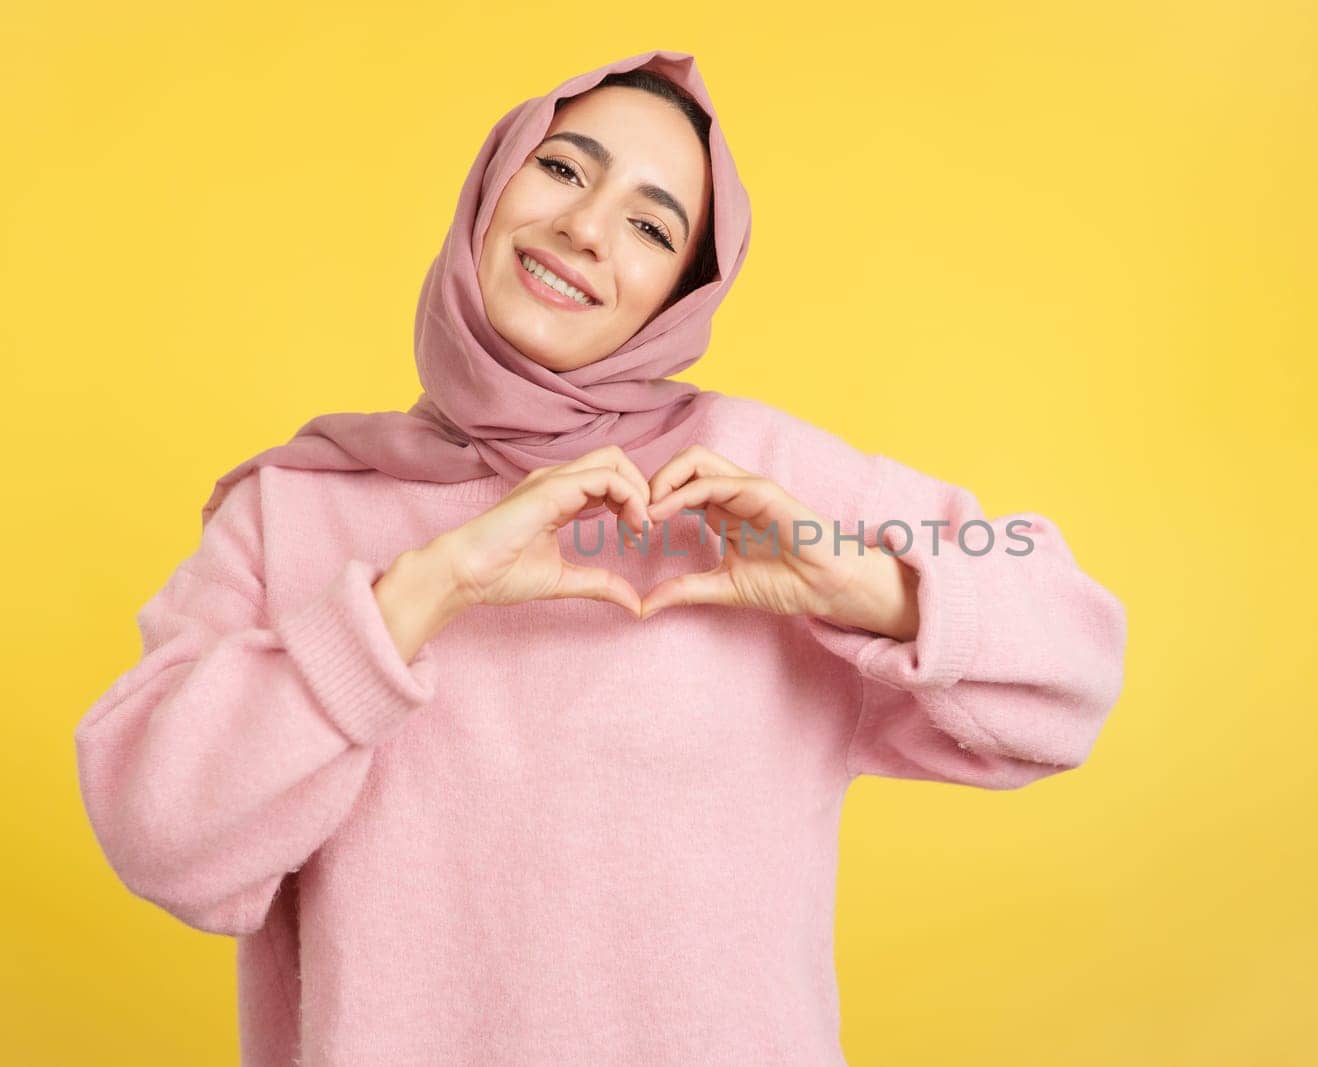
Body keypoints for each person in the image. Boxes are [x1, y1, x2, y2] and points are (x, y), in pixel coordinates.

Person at [73, 49, 1129, 1067]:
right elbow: (159, 836)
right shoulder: (291, 507)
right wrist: (422, 591)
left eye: (649, 224)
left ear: (679, 291)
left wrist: (865, 586)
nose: (583, 229)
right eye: (563, 167)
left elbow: (1070, 674)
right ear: (491, 187)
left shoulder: (758, 475)